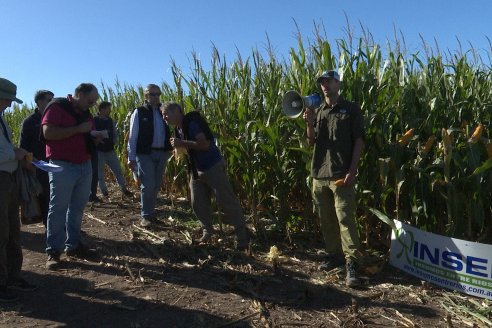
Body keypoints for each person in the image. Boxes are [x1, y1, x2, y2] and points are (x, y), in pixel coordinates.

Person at [303, 70, 365, 287]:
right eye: (322, 82)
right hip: (319, 174)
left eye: (328, 81)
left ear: (338, 84)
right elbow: (311, 142)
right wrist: (309, 123)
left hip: (341, 175)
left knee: (346, 220)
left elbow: (359, 141)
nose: (325, 85)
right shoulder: (319, 111)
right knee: (327, 219)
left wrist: (352, 170)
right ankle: (334, 256)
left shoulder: (351, 110)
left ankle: (352, 264)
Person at [162, 102, 250, 250]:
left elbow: (205, 145)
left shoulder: (191, 123)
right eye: (162, 114)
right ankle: (207, 231)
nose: (164, 117)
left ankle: (243, 237)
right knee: (197, 202)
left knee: (227, 201)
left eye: (166, 113)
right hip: (196, 170)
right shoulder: (178, 129)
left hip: (212, 166)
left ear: (177, 111)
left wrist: (181, 142)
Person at [42, 83, 103, 270]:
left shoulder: (86, 114)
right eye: (89, 100)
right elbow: (48, 133)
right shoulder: (57, 107)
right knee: (58, 207)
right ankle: (53, 251)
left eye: (94, 102)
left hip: (84, 164)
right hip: (61, 164)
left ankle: (74, 245)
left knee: (77, 207)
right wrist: (78, 129)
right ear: (78, 94)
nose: (91, 105)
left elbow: (86, 134)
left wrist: (95, 137)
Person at [0, 78, 37, 303]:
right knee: (1, 232)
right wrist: (13, 155)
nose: (10, 105)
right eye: (7, 99)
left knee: (13, 229)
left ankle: (12, 275)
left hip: (9, 178)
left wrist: (17, 152)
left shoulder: (2, 120)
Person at [127, 84, 172, 227]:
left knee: (156, 185)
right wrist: (131, 157)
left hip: (162, 152)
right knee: (148, 185)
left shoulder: (163, 111)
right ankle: (145, 216)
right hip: (145, 153)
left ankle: (151, 214)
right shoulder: (139, 112)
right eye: (153, 94)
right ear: (146, 96)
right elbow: (133, 136)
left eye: (158, 94)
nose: (156, 97)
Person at [20, 90, 54, 226]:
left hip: (55, 163)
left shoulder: (54, 119)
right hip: (39, 165)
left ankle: (61, 226)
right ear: (40, 102)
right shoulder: (29, 122)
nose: (52, 102)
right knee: (45, 198)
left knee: (57, 197)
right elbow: (24, 146)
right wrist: (29, 164)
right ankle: (49, 227)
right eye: (49, 99)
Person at [94, 101, 132, 198]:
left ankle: (123, 189)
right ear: (102, 109)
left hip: (110, 150)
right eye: (108, 108)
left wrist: (114, 141)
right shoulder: (94, 120)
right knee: (100, 173)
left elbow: (115, 134)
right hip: (99, 151)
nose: (110, 110)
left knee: (118, 170)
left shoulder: (110, 120)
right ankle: (104, 192)